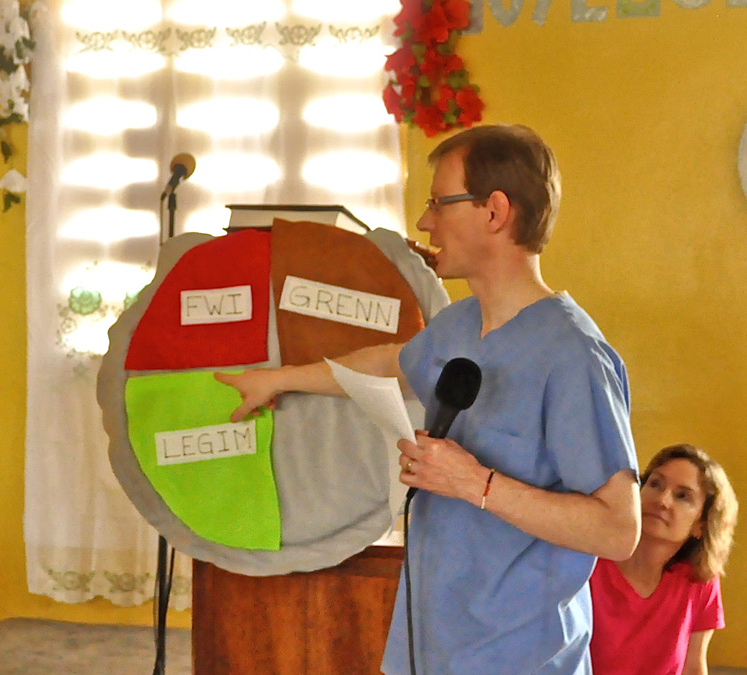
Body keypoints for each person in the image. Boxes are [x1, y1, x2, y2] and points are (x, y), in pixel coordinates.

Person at [215, 124, 641, 673]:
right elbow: (393, 363)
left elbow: (618, 530)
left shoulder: (575, 356)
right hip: (431, 642)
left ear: (494, 212)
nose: (424, 221)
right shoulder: (460, 323)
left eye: (439, 202)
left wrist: (473, 482)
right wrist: (279, 379)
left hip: (520, 654)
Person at [590, 444, 738, 675]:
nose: (662, 500)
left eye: (682, 496)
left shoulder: (700, 580)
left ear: (701, 524)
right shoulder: (588, 563)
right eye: (655, 484)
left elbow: (693, 667)